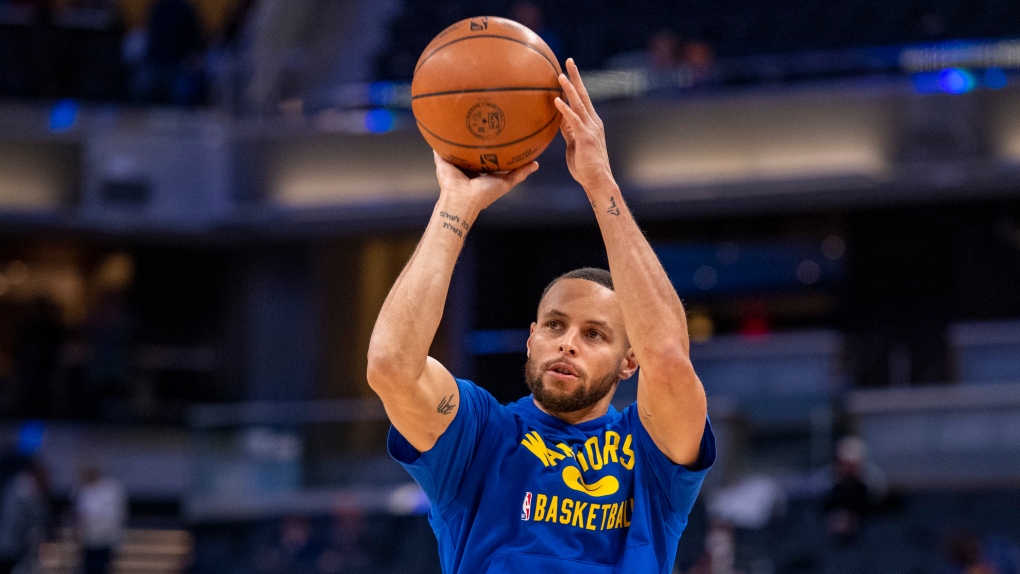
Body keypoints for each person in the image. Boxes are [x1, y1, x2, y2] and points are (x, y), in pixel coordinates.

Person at [366, 58, 715, 573]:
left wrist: (601, 186)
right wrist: (456, 208)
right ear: (531, 339)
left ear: (628, 363)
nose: (567, 342)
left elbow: (668, 354)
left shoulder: (652, 450)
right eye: (554, 325)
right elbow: (391, 365)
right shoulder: (482, 433)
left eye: (595, 334)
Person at [74, 464, 127, 574]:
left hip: (105, 539)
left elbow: (117, 515)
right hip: (89, 540)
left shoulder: (111, 489)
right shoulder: (85, 490)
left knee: (101, 567)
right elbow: (81, 514)